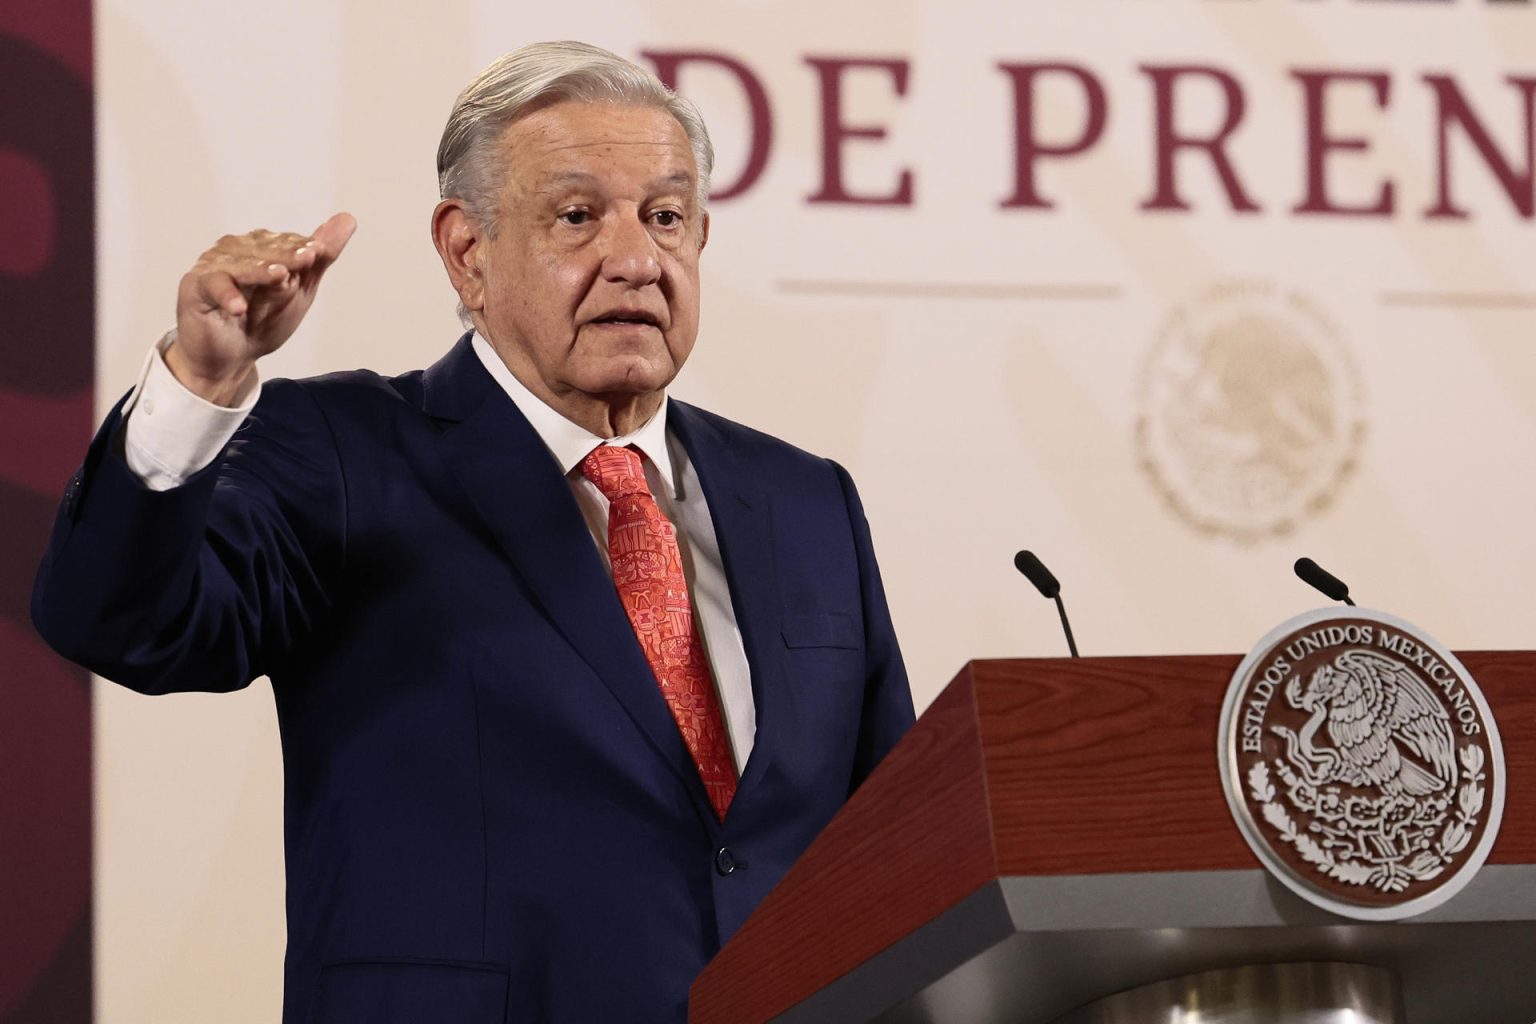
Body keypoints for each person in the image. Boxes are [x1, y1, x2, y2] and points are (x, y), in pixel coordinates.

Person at [32, 40, 913, 1024]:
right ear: (468, 250)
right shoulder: (343, 453)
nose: (635, 258)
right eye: (578, 216)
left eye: (665, 216)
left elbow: (900, 843)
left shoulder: (805, 498)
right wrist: (199, 387)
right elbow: (117, 619)